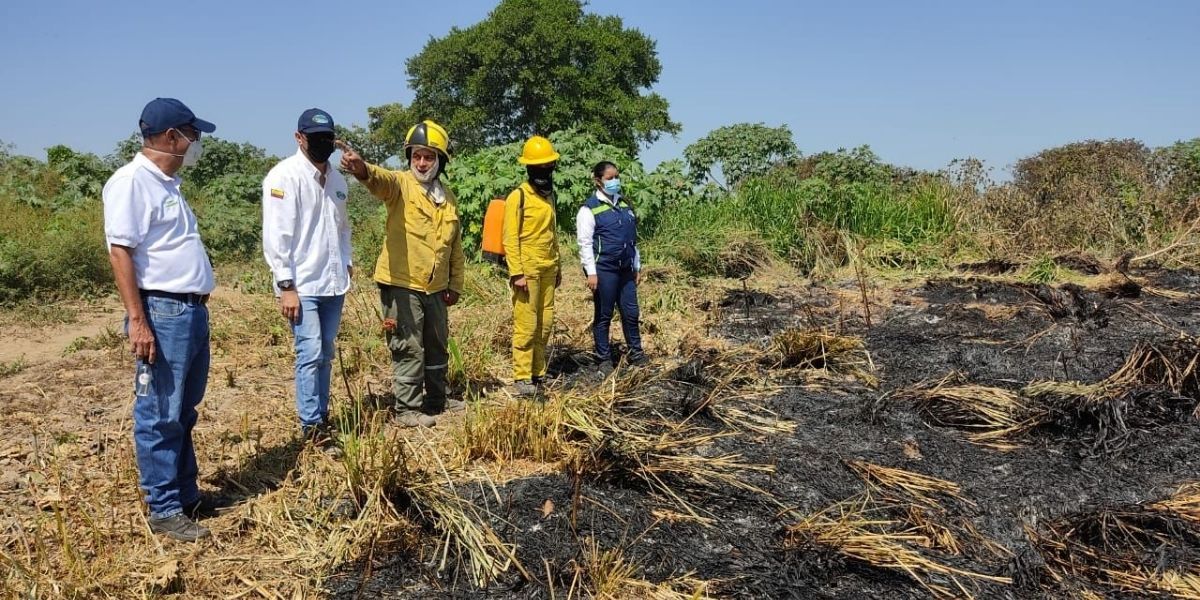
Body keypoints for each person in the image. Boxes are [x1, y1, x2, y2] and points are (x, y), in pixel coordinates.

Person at [103, 98, 217, 542]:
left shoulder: (169, 184)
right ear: (172, 137)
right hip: (164, 311)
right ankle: (164, 508)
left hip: (190, 310)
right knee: (159, 413)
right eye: (194, 135)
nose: (197, 144)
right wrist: (139, 320)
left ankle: (186, 494)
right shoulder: (132, 182)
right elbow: (120, 252)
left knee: (183, 410)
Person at [337, 121, 466, 427]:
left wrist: (455, 284)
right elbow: (378, 180)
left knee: (437, 345)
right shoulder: (400, 184)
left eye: (429, 157)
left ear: (441, 160)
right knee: (408, 346)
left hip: (436, 287)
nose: (422, 162)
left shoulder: (446, 195)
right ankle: (407, 409)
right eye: (417, 156)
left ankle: (436, 400)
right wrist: (361, 168)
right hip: (402, 284)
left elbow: (455, 247)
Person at [262, 108, 352, 443]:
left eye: (328, 138)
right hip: (302, 284)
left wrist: (347, 260)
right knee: (310, 351)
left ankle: (322, 417)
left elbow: (343, 228)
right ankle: (311, 425)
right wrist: (286, 285)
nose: (323, 144)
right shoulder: (283, 177)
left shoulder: (339, 179)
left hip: (332, 282)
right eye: (315, 138)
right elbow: (277, 236)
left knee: (325, 352)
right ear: (299, 138)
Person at [503, 136, 562, 397]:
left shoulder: (548, 197)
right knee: (527, 325)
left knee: (545, 323)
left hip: (548, 267)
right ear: (529, 168)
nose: (544, 171)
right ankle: (522, 376)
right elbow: (509, 237)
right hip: (527, 269)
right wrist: (516, 272)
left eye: (547, 166)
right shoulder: (518, 196)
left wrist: (558, 265)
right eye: (538, 167)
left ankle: (538, 372)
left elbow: (552, 233)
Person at [577, 161, 646, 377]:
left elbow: (632, 240)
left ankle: (636, 353)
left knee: (631, 313)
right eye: (609, 178)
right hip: (604, 270)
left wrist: (636, 266)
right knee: (604, 314)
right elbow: (584, 243)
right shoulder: (589, 209)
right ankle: (603, 358)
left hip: (626, 270)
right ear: (598, 181)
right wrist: (591, 272)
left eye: (616, 176)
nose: (614, 181)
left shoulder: (625, 205)